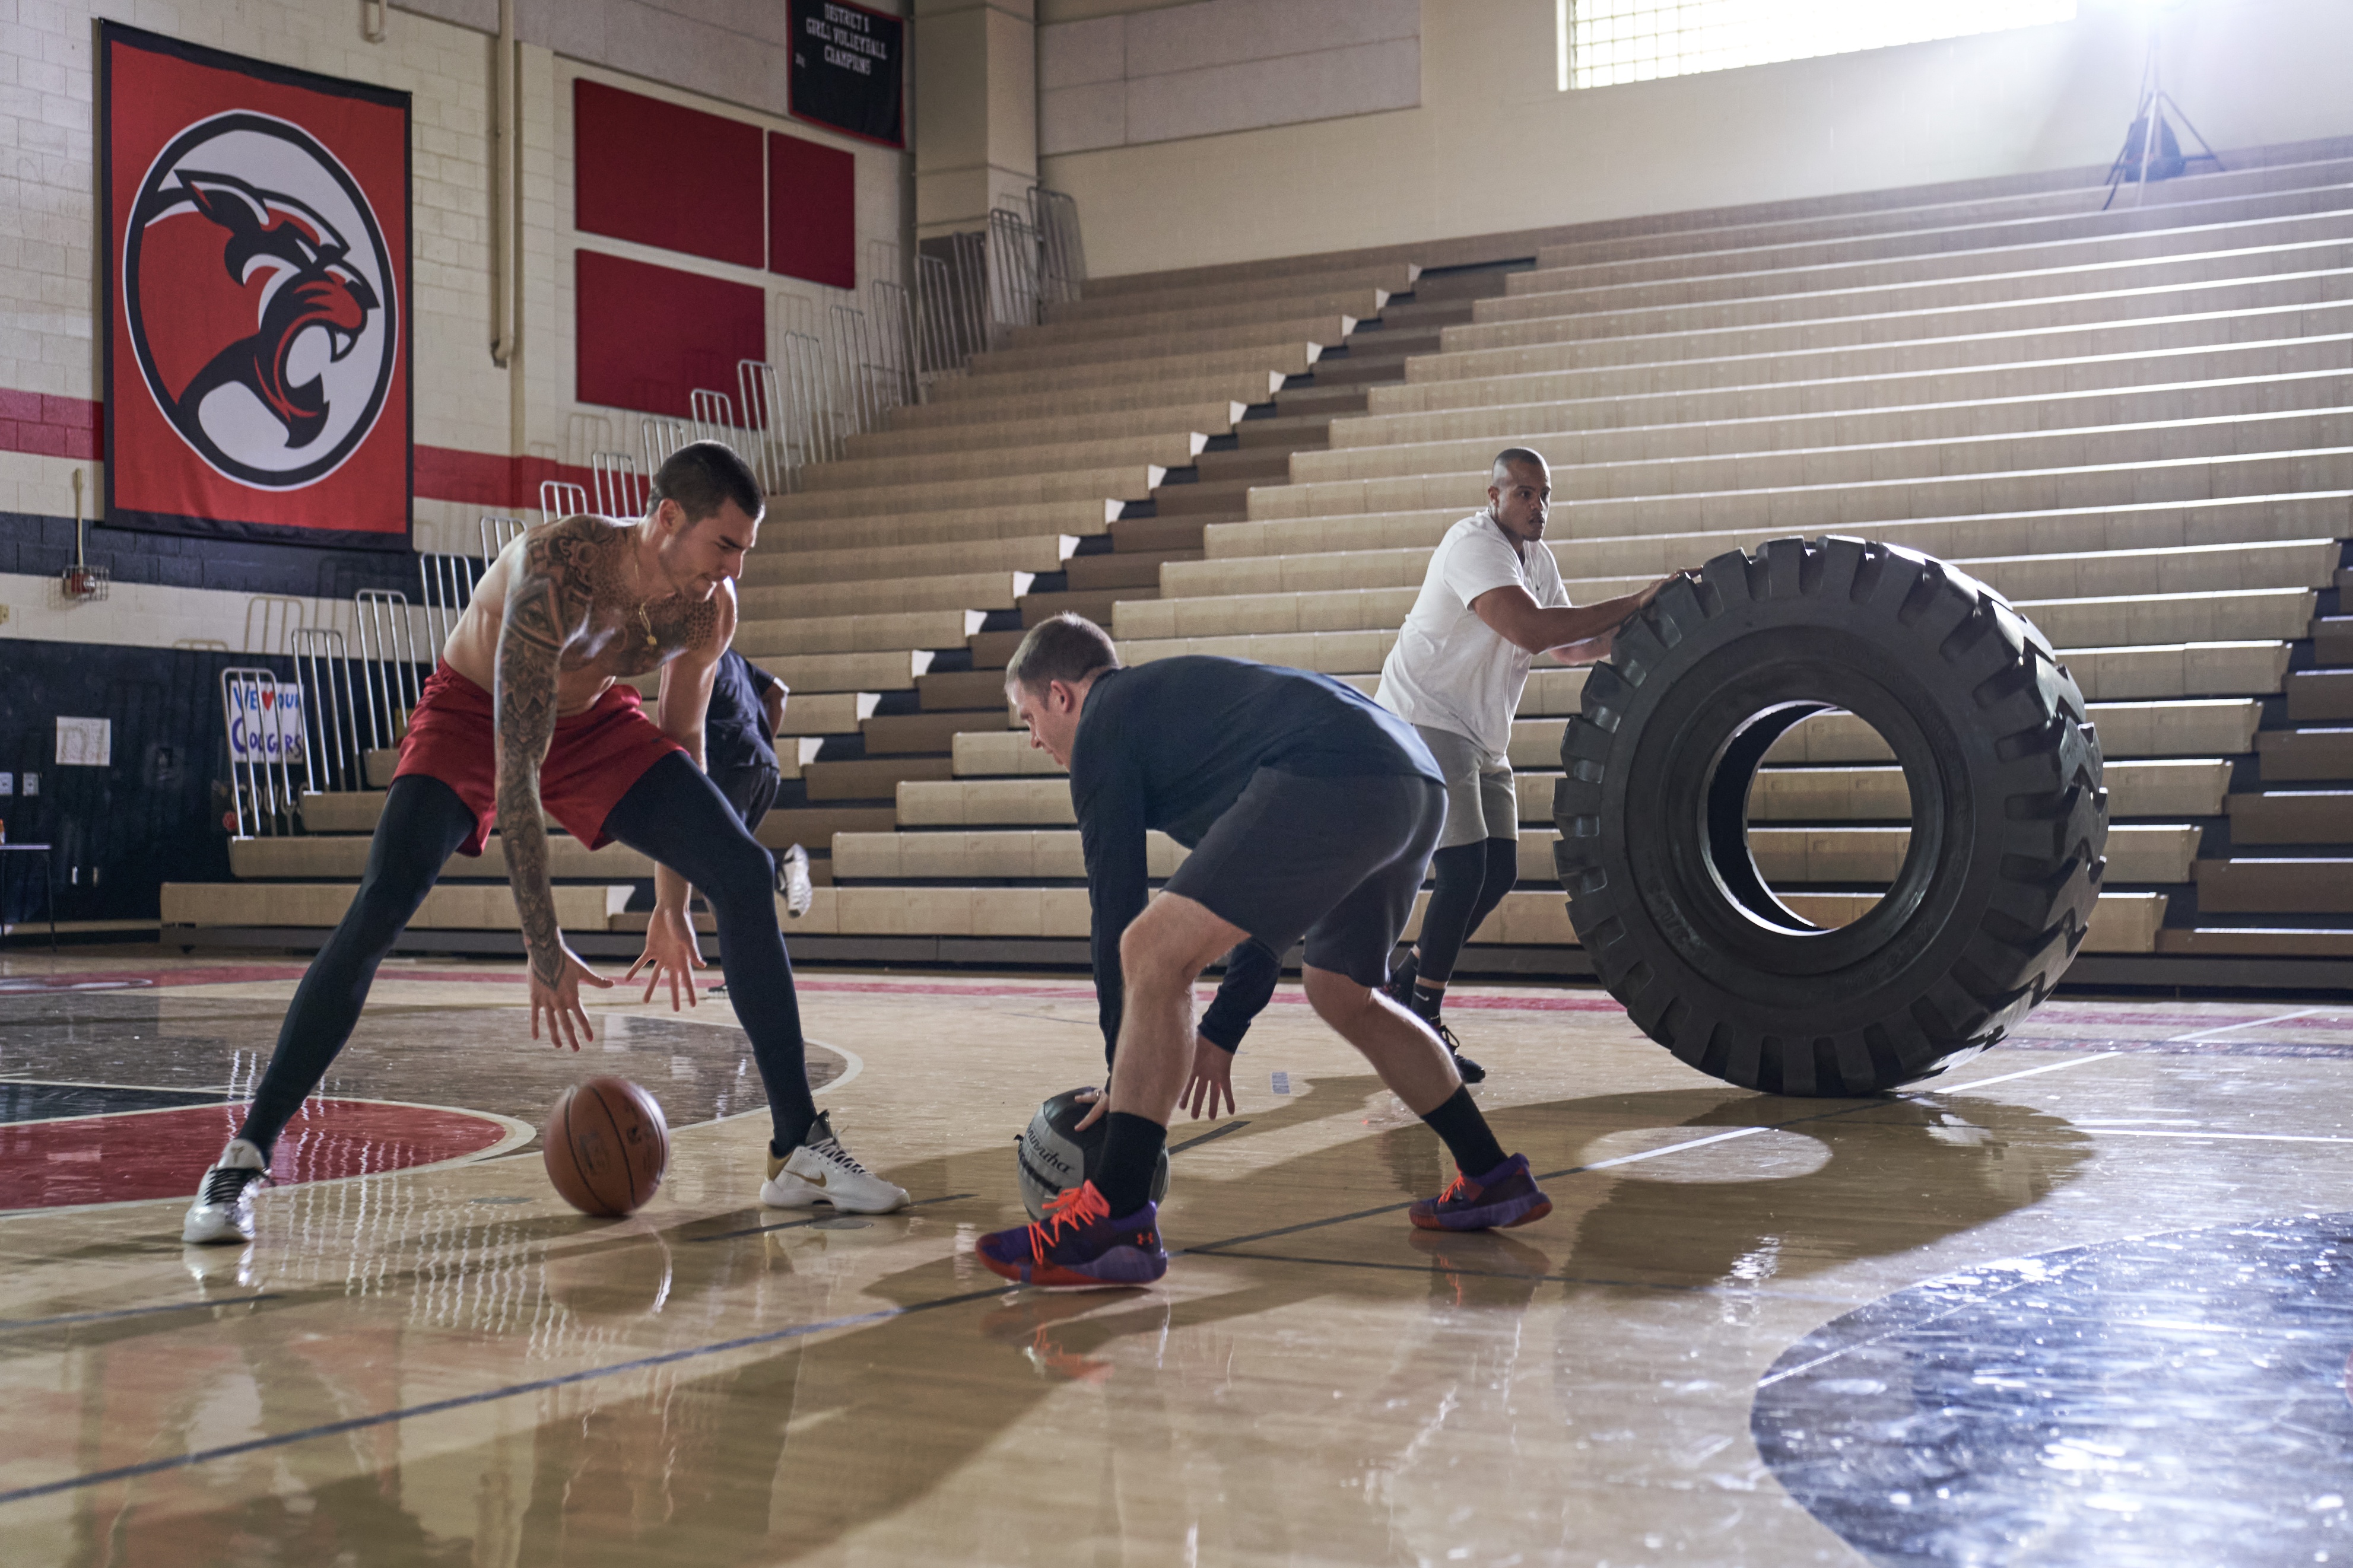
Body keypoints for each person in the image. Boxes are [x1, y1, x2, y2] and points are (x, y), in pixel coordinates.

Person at [182, 442, 905, 1245]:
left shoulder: (708, 607)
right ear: (667, 518)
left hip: (593, 721)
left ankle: (798, 1148)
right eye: (724, 544)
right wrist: (541, 935)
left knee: (738, 865)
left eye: (744, 548)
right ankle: (242, 1158)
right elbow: (515, 769)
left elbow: (683, 734)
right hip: (474, 713)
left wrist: (672, 901)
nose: (733, 566)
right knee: (384, 900)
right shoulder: (555, 572)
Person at [974, 615, 1554, 1290]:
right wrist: (1218, 1029)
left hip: (1342, 773)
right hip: (1413, 783)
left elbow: (1118, 915)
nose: (1035, 740)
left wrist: (1119, 1076)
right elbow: (1263, 913)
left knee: (1148, 948)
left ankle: (1115, 1220)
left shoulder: (1105, 722)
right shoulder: (1183, 720)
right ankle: (1491, 1175)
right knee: (1341, 991)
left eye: (1028, 720)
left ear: (1061, 695)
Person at [1374, 447, 1674, 1078]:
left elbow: (1572, 646)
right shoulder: (1471, 545)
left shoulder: (1536, 559)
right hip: (1425, 716)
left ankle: (1403, 984)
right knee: (1461, 869)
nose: (1538, 507)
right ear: (1493, 496)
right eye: (1524, 495)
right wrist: (1633, 596)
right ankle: (1421, 1016)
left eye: (1544, 496)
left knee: (1498, 871)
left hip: (1481, 730)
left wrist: (1662, 621)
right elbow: (1530, 630)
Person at [698, 650, 814, 1004]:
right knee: (725, 870)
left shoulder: (695, 657)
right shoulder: (736, 660)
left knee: (716, 868)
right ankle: (743, 973)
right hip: (764, 765)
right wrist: (764, 742)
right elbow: (779, 692)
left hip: (730, 764)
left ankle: (744, 973)